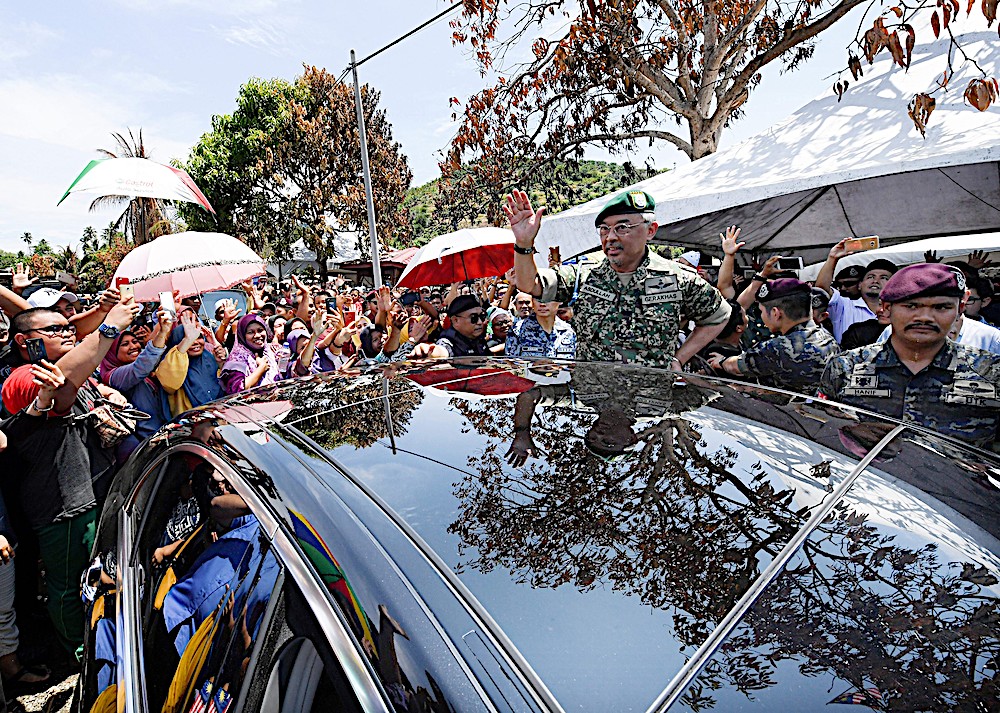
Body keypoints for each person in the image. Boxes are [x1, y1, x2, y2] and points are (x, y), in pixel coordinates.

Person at [0, 299, 138, 658]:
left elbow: (77, 379)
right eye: (54, 330)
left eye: (68, 328)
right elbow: (62, 385)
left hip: (85, 491)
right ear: (23, 341)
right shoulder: (21, 377)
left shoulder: (70, 368)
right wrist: (108, 329)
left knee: (89, 574)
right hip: (58, 503)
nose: (66, 333)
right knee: (67, 584)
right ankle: (77, 652)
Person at [506, 189, 730, 367]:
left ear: (650, 230)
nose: (610, 237)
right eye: (604, 229)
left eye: (622, 227)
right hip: (594, 404)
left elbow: (719, 315)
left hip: (651, 407)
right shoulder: (584, 275)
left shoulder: (678, 278)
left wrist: (679, 358)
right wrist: (524, 243)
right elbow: (529, 284)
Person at [819, 263, 1000, 449]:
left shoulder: (989, 372)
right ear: (887, 308)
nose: (925, 317)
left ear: (960, 308)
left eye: (941, 307)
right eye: (911, 306)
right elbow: (824, 432)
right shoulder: (845, 368)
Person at [707, 279, 840, 394]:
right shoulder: (828, 340)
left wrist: (721, 361)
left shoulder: (779, 347)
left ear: (776, 313)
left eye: (761, 311)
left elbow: (737, 367)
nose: (761, 316)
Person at [99, 307, 174, 458]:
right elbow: (140, 367)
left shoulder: (146, 373)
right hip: (143, 447)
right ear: (111, 351)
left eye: (134, 341)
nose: (133, 346)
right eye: (125, 344)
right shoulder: (113, 376)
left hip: (161, 438)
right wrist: (161, 332)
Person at [816, 240, 897, 342]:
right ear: (860, 285)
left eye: (884, 278)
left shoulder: (899, 311)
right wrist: (832, 258)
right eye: (870, 277)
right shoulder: (844, 306)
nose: (875, 281)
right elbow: (821, 292)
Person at [156, 311, 223, 417]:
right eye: (189, 338)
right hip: (190, 427)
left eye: (199, 337)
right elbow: (170, 384)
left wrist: (221, 363)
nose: (195, 342)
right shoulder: (170, 361)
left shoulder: (209, 358)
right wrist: (187, 340)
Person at [396, 295, 491, 359]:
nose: (479, 322)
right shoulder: (448, 342)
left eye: (482, 317)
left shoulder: (478, 336)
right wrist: (428, 351)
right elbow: (442, 351)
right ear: (455, 320)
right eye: (473, 318)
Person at [220, 314, 282, 394]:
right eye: (250, 332)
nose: (257, 335)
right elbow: (237, 391)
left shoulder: (270, 352)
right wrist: (261, 369)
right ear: (242, 336)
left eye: (260, 330)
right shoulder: (236, 360)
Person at [505, 297, 576, 359]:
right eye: (538, 299)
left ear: (560, 301)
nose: (542, 304)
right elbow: (512, 366)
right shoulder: (517, 330)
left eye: (548, 299)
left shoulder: (568, 332)